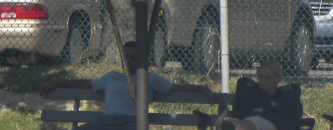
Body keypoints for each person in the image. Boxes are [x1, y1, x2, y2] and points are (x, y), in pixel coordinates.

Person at [40, 41, 214, 130]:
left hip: (132, 123)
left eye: (133, 57)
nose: (129, 60)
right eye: (126, 57)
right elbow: (86, 84)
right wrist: (56, 82)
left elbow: (176, 88)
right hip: (107, 122)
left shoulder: (150, 78)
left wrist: (201, 88)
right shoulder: (112, 77)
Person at [218, 61, 302, 130]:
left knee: (254, 121)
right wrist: (270, 105)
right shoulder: (250, 92)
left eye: (268, 77)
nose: (263, 80)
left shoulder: (285, 96)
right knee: (233, 121)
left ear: (278, 79)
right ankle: (230, 125)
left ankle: (233, 126)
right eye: (260, 77)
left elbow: (296, 112)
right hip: (243, 119)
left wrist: (259, 107)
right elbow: (239, 106)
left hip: (268, 123)